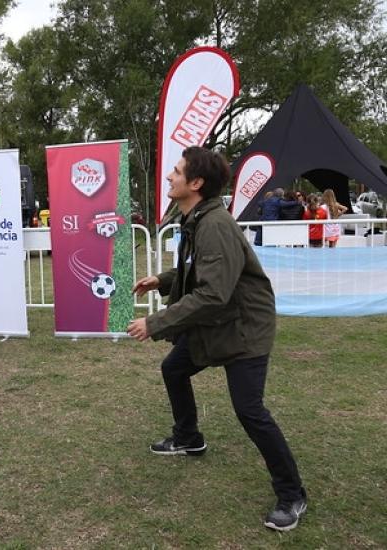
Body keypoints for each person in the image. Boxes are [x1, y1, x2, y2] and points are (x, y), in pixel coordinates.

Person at [127, 146, 307, 532]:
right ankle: (188, 437)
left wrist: (155, 323)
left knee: (250, 410)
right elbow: (198, 272)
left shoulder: (214, 225)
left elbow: (213, 294)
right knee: (174, 369)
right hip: (218, 324)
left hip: (244, 329)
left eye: (177, 172)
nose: (170, 176)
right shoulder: (196, 219)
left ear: (196, 183)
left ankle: (292, 494)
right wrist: (162, 280)